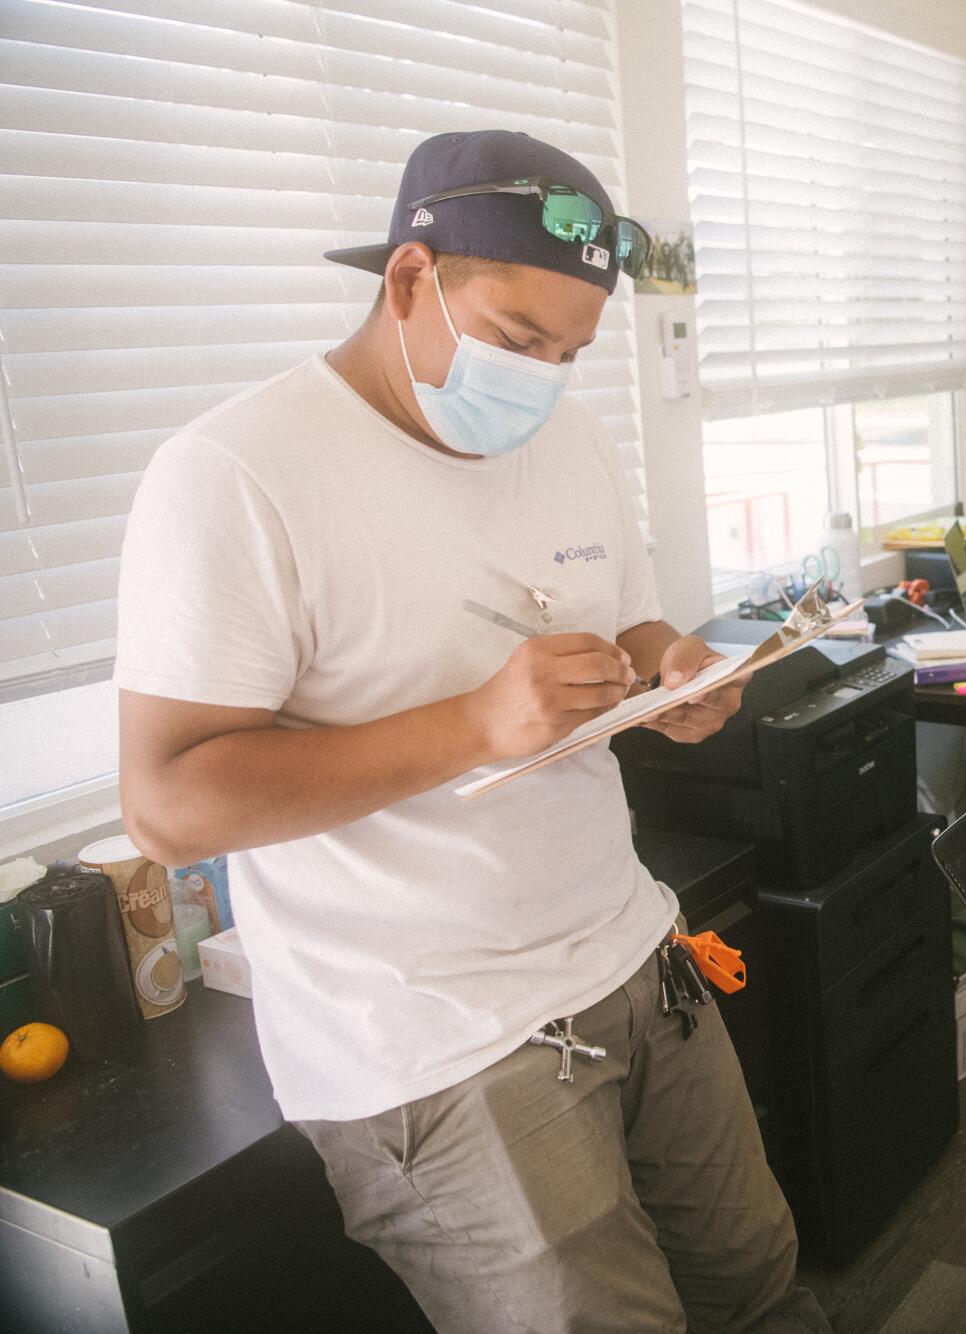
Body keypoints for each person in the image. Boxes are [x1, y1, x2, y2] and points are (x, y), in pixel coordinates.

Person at [114, 131, 828, 1334]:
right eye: (517, 340)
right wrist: (473, 724)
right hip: (440, 1042)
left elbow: (630, 614)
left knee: (756, 1283)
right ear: (408, 280)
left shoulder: (568, 436)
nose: (545, 378)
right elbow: (171, 803)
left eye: (572, 351)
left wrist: (671, 666)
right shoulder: (234, 474)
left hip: (631, 951)